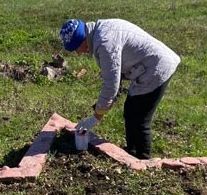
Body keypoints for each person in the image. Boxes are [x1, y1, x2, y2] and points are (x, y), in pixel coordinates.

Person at [60, 18, 180, 159]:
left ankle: (142, 160)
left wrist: (96, 118)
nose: (78, 53)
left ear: (81, 40)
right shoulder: (100, 30)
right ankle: (131, 152)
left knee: (140, 117)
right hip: (147, 66)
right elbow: (116, 73)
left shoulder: (104, 43)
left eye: (76, 49)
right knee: (130, 111)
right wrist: (105, 103)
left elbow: (111, 84)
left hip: (156, 68)